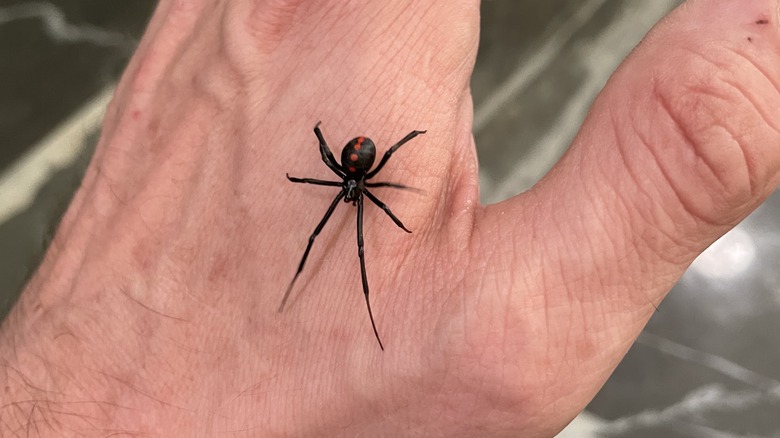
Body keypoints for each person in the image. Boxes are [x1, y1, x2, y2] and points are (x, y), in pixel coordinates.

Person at [2, 0, 778, 436]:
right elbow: (330, 163)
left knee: (354, 239)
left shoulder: (355, 182)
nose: (348, 199)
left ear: (350, 177)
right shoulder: (350, 184)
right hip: (355, 157)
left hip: (360, 154)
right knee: (331, 231)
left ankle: (361, 299)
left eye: (349, 187)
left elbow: (349, 161)